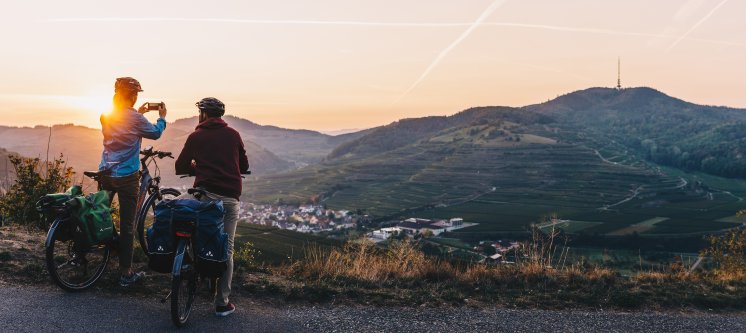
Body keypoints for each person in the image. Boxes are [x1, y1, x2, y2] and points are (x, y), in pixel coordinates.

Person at [175, 97, 249, 317]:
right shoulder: (234, 135)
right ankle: (222, 302)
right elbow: (244, 166)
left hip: (205, 197)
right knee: (227, 248)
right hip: (229, 199)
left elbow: (180, 166)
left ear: (203, 115)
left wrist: (196, 166)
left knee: (198, 236)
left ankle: (190, 273)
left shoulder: (196, 136)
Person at [99, 77, 167, 287]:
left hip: (105, 172)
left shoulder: (106, 115)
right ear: (133, 96)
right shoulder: (134, 118)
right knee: (128, 225)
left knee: (102, 215)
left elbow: (124, 125)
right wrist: (162, 117)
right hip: (126, 177)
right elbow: (155, 133)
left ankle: (104, 248)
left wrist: (139, 112)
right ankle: (126, 273)